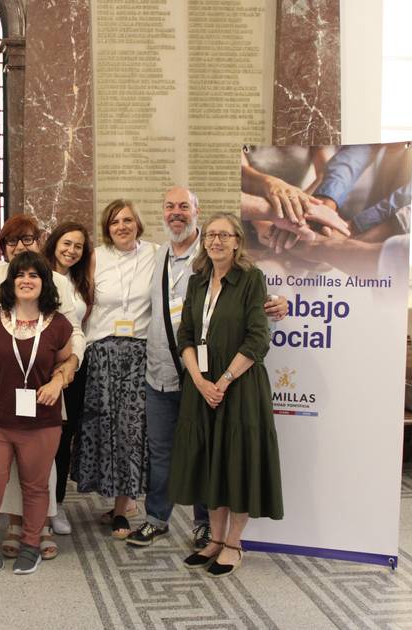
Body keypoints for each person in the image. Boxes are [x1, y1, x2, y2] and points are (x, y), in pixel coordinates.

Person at [127, 187, 289, 551]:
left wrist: (281, 303)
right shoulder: (155, 257)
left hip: (218, 379)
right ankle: (157, 519)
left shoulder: (232, 269)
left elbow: (258, 321)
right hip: (166, 372)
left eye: (184, 206)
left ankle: (208, 530)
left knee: (214, 453)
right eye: (169, 207)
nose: (176, 213)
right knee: (167, 450)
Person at [170, 212, 284, 578]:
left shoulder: (251, 279)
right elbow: (185, 336)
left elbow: (258, 338)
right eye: (211, 235)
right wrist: (200, 381)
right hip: (201, 387)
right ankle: (215, 539)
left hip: (239, 387)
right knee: (210, 463)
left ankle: (234, 543)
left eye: (225, 235)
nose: (216, 241)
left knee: (237, 463)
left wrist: (224, 380)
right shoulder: (198, 281)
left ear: (237, 241)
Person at [0, 214, 84, 560]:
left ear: (39, 241)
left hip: (41, 390)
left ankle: (40, 525)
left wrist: (63, 374)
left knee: (38, 467)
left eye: (27, 239)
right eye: (12, 241)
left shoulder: (55, 281)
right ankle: (14, 523)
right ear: (2, 246)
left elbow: (72, 333)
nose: (20, 247)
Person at [72, 199, 158, 540]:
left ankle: (123, 509)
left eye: (127, 220)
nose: (121, 226)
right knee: (100, 428)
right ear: (107, 229)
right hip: (101, 356)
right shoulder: (96, 257)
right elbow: (83, 302)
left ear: (138, 222)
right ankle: (107, 497)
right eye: (113, 222)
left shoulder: (156, 253)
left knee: (131, 433)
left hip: (139, 355)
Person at [42, 221, 94, 535]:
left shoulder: (80, 281)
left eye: (77, 246)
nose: (71, 250)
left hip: (73, 369)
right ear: (54, 243)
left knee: (64, 439)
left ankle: (56, 504)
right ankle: (31, 507)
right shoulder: (39, 275)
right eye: (66, 243)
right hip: (42, 367)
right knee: (38, 439)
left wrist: (72, 362)